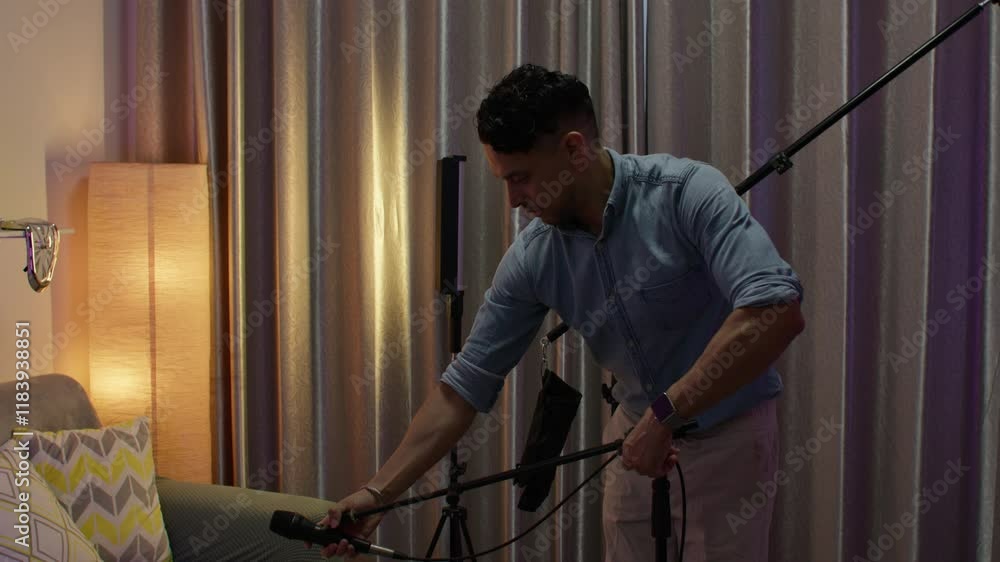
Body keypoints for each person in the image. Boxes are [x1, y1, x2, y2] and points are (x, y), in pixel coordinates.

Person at [314, 63, 805, 561]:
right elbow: (463, 387)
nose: (513, 201)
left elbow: (776, 310)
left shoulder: (686, 192)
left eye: (521, 178)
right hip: (634, 440)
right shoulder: (534, 256)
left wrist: (666, 413)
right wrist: (378, 493)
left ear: (574, 149)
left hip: (727, 440)